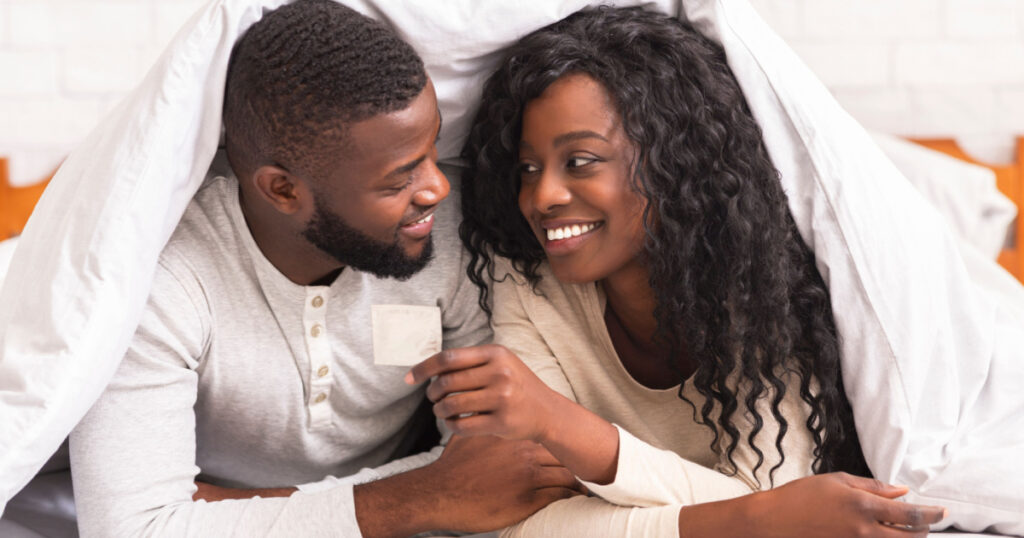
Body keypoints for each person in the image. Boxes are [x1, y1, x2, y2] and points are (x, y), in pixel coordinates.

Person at [408, 7, 947, 537]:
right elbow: (516, 522)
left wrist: (559, 424)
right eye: (529, 168)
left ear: (676, 163)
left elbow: (778, 492)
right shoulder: (524, 280)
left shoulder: (762, 293)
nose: (542, 196)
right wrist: (753, 519)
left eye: (580, 161)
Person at [68, 1, 581, 536]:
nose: (438, 188)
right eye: (398, 178)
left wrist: (227, 509)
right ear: (283, 190)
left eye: (433, 151)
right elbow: (131, 529)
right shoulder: (160, 280)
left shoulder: (451, 232)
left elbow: (495, 468)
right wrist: (421, 499)